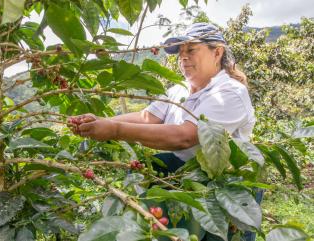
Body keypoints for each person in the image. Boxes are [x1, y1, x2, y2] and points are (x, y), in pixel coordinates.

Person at [69, 23, 259, 241]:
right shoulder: (179, 89)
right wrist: (100, 122)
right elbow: (147, 117)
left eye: (191, 50)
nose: (183, 57)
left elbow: (184, 136)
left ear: (217, 52)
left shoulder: (229, 93)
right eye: (180, 52)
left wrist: (114, 130)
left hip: (224, 190)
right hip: (183, 180)